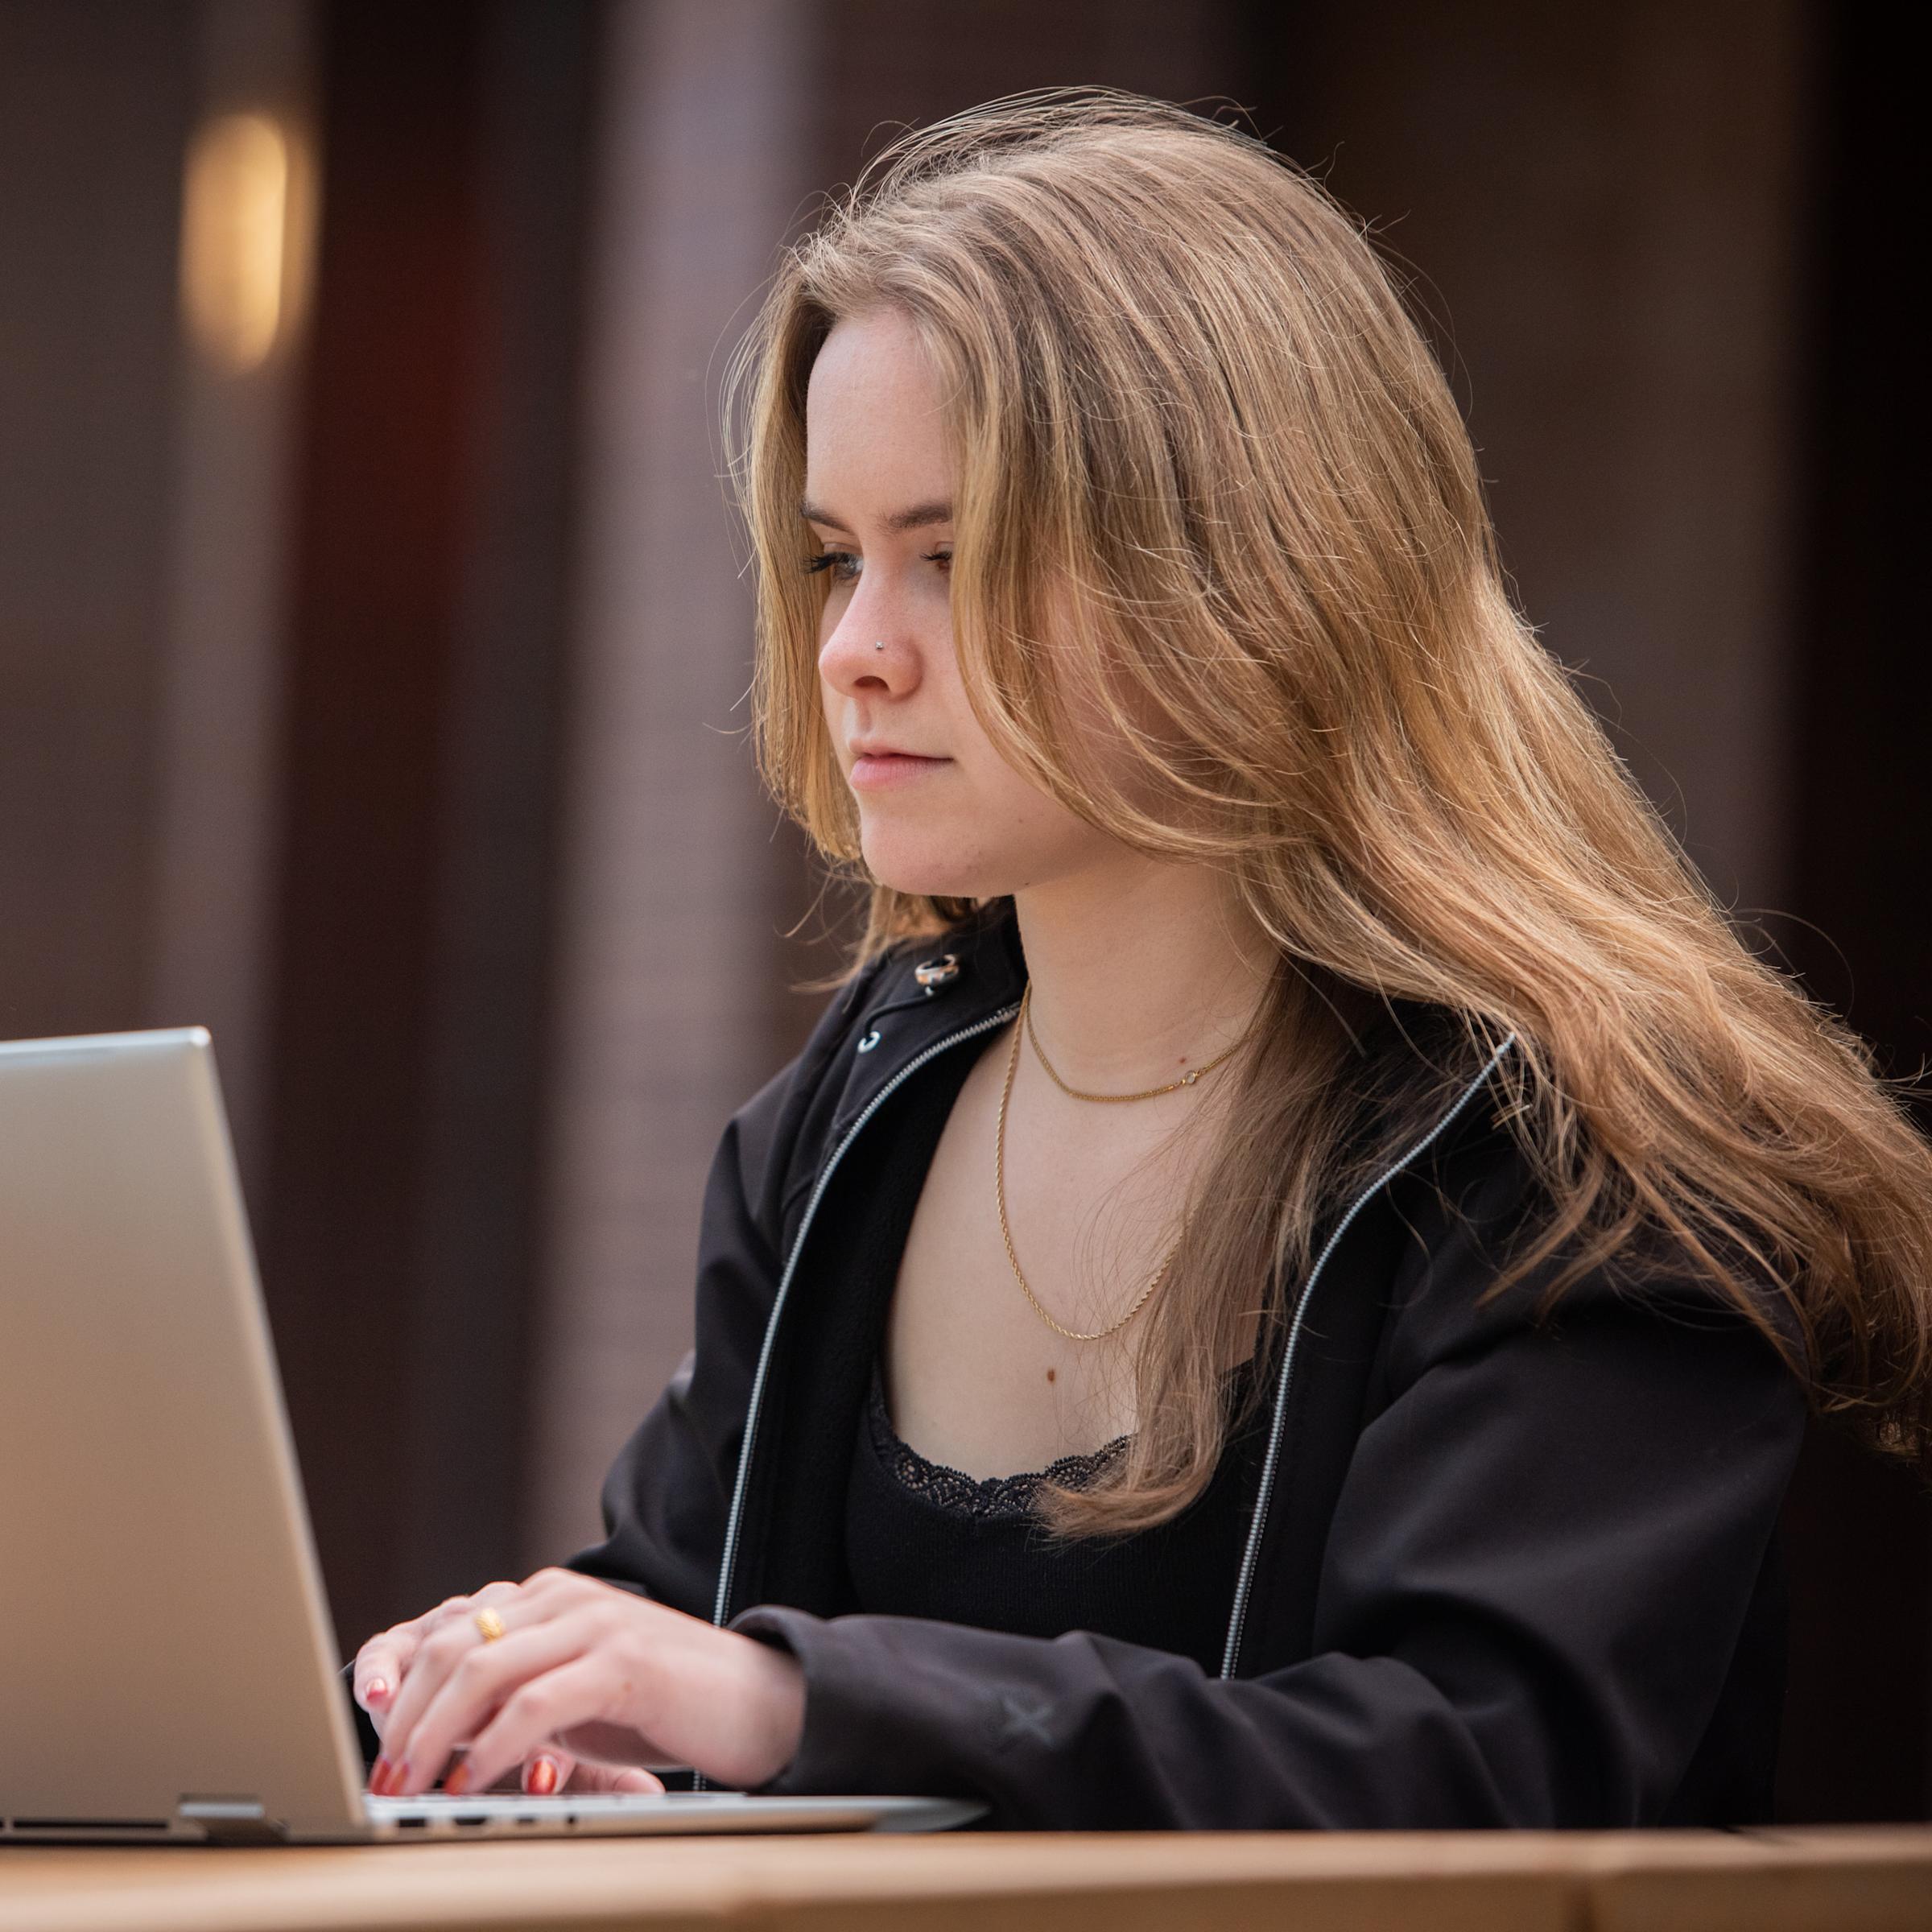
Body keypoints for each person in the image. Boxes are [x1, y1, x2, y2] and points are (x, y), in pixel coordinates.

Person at [350, 89, 1932, 1830]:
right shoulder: (862, 1097)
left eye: (950, 558)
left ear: (1238, 573)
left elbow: (1481, 1766)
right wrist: (532, 1697)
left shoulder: (1575, 1159)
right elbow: (678, 1606)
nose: (857, 651)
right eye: (831, 560)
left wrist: (796, 1700)